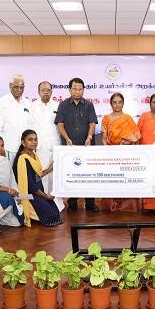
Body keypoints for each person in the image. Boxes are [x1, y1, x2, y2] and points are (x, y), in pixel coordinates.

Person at [54, 77, 99, 212]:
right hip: (70, 146)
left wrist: (89, 137)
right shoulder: (63, 105)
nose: (77, 91)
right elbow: (60, 124)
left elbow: (92, 123)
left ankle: (90, 203)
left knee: (89, 174)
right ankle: (72, 203)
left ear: (83, 90)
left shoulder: (89, 105)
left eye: (80, 89)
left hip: (87, 145)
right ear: (69, 89)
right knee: (72, 174)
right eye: (75, 89)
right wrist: (67, 138)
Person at [100, 93, 141, 212]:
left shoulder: (128, 118)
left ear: (123, 103)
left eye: (120, 102)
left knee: (126, 178)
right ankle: (111, 204)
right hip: (111, 153)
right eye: (114, 102)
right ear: (111, 104)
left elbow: (136, 137)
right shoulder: (106, 118)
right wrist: (107, 151)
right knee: (112, 179)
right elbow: (104, 138)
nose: (117, 104)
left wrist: (128, 145)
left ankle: (128, 205)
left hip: (126, 154)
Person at [14, 130, 62, 227]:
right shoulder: (23, 159)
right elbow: (30, 186)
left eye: (35, 139)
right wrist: (46, 196)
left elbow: (36, 176)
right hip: (25, 195)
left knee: (55, 210)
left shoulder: (33, 155)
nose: (34, 142)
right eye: (30, 139)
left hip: (36, 193)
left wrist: (49, 169)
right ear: (23, 142)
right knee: (50, 215)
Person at [30, 81, 61, 194]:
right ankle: (42, 199)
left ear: (52, 92)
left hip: (55, 145)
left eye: (48, 90)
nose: (46, 92)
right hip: (39, 147)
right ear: (38, 92)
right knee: (40, 173)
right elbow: (29, 125)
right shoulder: (32, 106)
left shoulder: (58, 106)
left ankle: (55, 200)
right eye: (43, 90)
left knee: (55, 175)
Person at [0, 74, 32, 165]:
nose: (19, 90)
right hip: (8, 148)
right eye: (16, 87)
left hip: (24, 149)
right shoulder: (1, 102)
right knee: (8, 173)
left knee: (23, 173)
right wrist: (0, 148)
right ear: (10, 86)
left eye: (21, 87)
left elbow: (30, 125)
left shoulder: (27, 103)